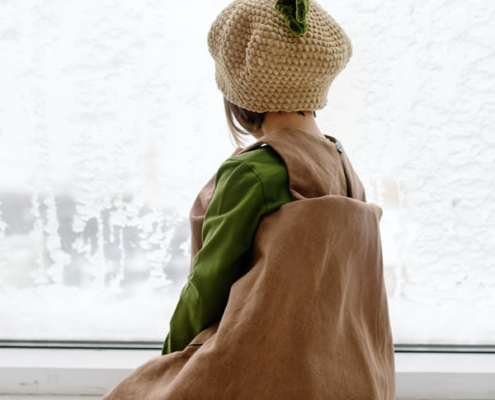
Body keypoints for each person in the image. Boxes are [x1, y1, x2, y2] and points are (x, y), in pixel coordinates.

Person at [103, 0, 396, 398]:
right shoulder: (345, 170)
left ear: (238, 92)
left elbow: (207, 286)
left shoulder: (252, 172)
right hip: (336, 380)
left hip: (254, 377)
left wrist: (164, 367)